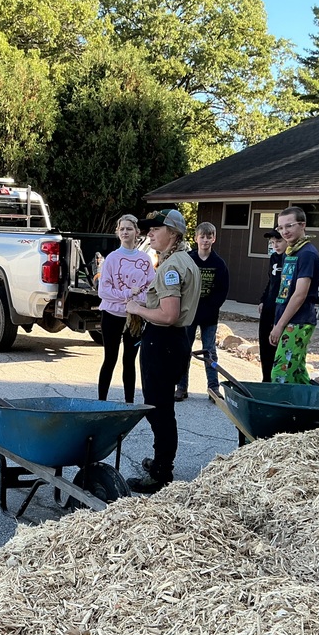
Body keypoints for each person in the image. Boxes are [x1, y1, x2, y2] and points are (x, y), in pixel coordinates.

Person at [124, 209, 201, 494]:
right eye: (149, 229)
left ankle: (160, 472)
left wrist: (136, 308)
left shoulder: (171, 267)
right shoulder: (182, 260)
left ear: (174, 233)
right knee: (162, 407)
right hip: (175, 340)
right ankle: (160, 461)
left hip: (164, 340)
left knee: (159, 409)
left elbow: (168, 315)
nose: (150, 233)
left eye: (157, 228)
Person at [96, 214, 154, 403]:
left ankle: (129, 403)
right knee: (110, 359)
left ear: (137, 232)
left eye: (129, 228)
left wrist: (138, 302)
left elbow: (151, 288)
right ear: (117, 232)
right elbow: (104, 291)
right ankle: (101, 402)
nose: (125, 232)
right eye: (122, 229)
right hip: (112, 315)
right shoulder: (112, 259)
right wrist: (128, 294)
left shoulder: (145, 259)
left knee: (130, 361)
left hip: (134, 318)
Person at [174, 221, 229, 402]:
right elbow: (181, 284)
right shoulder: (189, 259)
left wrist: (211, 307)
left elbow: (222, 290)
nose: (205, 240)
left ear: (214, 238)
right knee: (184, 349)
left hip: (209, 316)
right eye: (202, 236)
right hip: (189, 313)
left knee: (209, 351)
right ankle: (181, 386)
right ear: (196, 238)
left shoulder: (218, 264)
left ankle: (213, 387)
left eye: (209, 237)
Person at [269, 206, 319, 384]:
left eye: (289, 226)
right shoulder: (291, 251)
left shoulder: (307, 254)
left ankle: (283, 411)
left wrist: (280, 326)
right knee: (297, 372)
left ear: (302, 225)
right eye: (280, 227)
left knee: (280, 374)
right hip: (287, 318)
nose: (284, 231)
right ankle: (316, 407)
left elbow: (300, 295)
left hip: (299, 321)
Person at [257, 228, 287, 382]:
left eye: (279, 241)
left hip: (284, 309)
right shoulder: (274, 258)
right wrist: (263, 299)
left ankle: (277, 381)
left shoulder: (295, 257)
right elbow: (271, 281)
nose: (275, 245)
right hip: (269, 306)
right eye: (272, 242)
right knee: (265, 342)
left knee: (278, 346)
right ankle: (266, 378)